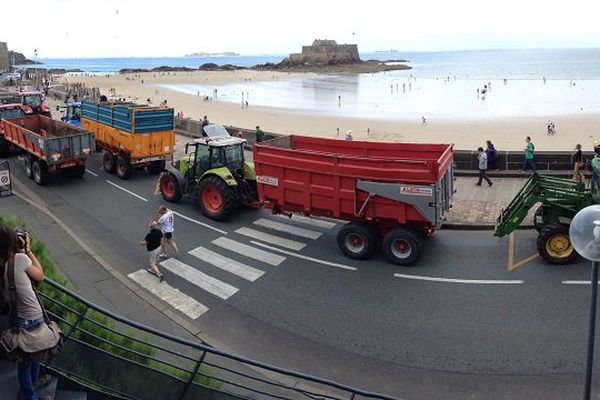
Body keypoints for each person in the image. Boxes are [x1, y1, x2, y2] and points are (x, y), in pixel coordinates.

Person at [0, 227, 47, 400]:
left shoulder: (2, 264)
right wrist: (28, 250)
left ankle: (32, 390)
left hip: (15, 321)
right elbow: (40, 276)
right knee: (32, 359)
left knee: (26, 359)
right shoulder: (20, 259)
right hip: (33, 318)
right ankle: (30, 395)